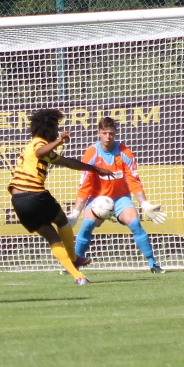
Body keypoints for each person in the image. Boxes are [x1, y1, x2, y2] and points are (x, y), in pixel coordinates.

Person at [8, 109, 113, 285]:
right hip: (33, 193)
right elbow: (40, 152)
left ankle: (78, 277)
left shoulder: (36, 147)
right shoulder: (38, 142)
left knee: (53, 239)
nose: (57, 132)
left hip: (18, 201)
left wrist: (95, 169)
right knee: (62, 220)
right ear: (48, 128)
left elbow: (67, 162)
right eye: (55, 128)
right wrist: (59, 141)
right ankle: (74, 258)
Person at [66, 117, 168, 274]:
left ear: (115, 133)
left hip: (121, 198)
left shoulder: (124, 152)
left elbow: (133, 181)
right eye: (105, 133)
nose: (108, 137)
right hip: (97, 199)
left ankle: (153, 263)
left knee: (135, 223)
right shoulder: (92, 153)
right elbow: (85, 184)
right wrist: (76, 212)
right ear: (98, 133)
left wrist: (145, 204)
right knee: (86, 225)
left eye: (111, 133)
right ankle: (73, 265)